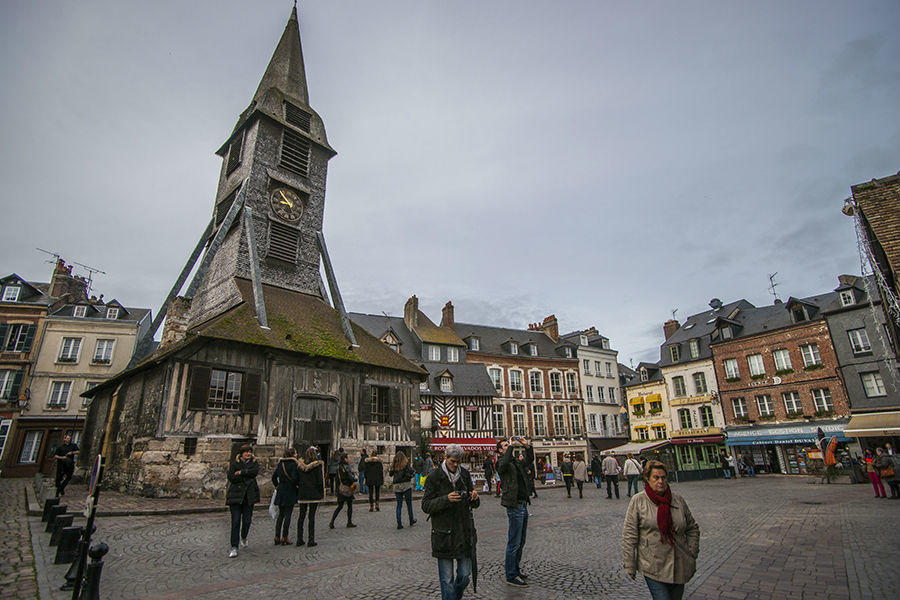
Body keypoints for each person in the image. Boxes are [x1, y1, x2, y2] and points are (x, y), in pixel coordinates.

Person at [622, 460, 700, 600]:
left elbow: (692, 528)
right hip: (652, 564)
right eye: (656, 477)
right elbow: (629, 534)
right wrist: (629, 564)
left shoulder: (677, 500)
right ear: (647, 479)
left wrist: (691, 551)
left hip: (679, 563)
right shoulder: (638, 501)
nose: (660, 481)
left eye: (663, 477)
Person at [422, 443, 480, 600]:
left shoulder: (465, 475)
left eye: (458, 462)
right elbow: (426, 506)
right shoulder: (434, 477)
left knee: (464, 576)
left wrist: (475, 497)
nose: (455, 465)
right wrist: (446, 499)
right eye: (452, 461)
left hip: (464, 533)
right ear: (445, 458)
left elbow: (473, 503)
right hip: (444, 534)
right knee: (447, 580)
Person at [496, 436, 532, 587]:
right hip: (514, 505)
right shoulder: (501, 463)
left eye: (508, 444)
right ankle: (510, 574)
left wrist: (527, 446)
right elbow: (503, 464)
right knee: (514, 542)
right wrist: (511, 446)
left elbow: (529, 461)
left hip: (523, 504)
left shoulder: (515, 462)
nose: (509, 446)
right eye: (505, 445)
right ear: (500, 450)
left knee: (521, 541)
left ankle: (516, 569)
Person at [226, 444, 260, 558]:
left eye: (250, 452)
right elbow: (231, 477)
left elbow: (254, 472)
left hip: (248, 497)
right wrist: (246, 475)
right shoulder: (235, 464)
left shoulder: (254, 463)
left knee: (247, 521)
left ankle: (244, 536)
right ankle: (234, 546)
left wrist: (241, 472)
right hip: (235, 496)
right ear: (242, 453)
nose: (248, 454)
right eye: (246, 452)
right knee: (235, 522)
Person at [271, 447, 300, 545]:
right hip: (290, 491)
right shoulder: (293, 465)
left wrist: (278, 486)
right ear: (292, 454)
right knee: (288, 515)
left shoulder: (281, 463)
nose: (296, 455)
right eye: (295, 453)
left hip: (281, 491)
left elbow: (274, 477)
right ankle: (284, 537)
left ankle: (276, 536)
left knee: (281, 515)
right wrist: (296, 485)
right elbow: (294, 478)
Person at [297, 446, 325, 546]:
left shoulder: (300, 466)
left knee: (301, 516)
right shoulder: (317, 466)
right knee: (311, 517)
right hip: (313, 494)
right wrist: (321, 494)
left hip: (303, 493)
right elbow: (319, 481)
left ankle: (299, 539)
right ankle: (311, 539)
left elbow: (297, 479)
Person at [389, 450, 417, 528]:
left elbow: (390, 474)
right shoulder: (406, 463)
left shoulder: (394, 464)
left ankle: (399, 523)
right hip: (406, 484)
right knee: (409, 504)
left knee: (399, 505)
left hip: (397, 485)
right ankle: (411, 520)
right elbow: (411, 471)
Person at [329, 453, 358, 528]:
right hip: (347, 489)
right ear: (345, 459)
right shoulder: (346, 467)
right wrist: (355, 478)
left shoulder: (338, 468)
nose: (349, 459)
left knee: (340, 506)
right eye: (348, 458)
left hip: (341, 489)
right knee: (349, 506)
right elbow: (350, 477)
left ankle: (332, 521)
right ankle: (349, 522)